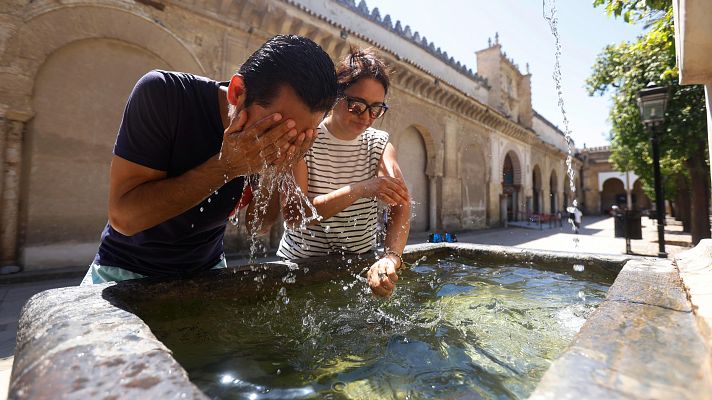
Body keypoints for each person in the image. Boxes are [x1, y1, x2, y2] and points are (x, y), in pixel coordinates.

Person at [81, 35, 338, 285]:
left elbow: (258, 226)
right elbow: (124, 218)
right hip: (124, 271)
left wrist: (278, 170)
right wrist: (226, 166)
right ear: (238, 92)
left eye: (298, 136)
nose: (281, 142)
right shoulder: (166, 95)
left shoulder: (276, 139)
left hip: (208, 272)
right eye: (274, 130)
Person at [277, 47, 411, 297]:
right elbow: (295, 214)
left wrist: (391, 257)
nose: (367, 117)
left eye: (376, 109)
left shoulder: (379, 144)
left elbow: (401, 204)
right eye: (357, 105)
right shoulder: (306, 137)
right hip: (300, 268)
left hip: (358, 267)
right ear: (335, 95)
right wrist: (361, 188)